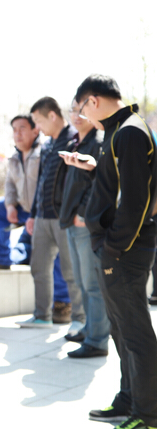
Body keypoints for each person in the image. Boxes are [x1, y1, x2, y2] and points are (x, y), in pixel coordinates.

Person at [67, 74, 157, 429]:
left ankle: (148, 415)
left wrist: (113, 249)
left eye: (81, 109)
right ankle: (129, 400)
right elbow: (123, 184)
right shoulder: (118, 131)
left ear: (93, 100)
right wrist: (95, 168)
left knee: (135, 334)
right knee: (122, 331)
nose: (82, 116)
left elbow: (136, 202)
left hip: (124, 251)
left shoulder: (129, 132)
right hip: (117, 249)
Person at [0, 115, 70, 323]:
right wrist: (10, 205)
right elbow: (10, 184)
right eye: (14, 130)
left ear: (35, 131)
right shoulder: (14, 158)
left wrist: (37, 215)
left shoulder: (43, 154)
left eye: (22, 129)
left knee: (54, 253)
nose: (17, 134)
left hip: (45, 212)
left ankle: (63, 304)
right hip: (24, 209)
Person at [16, 97, 85, 331]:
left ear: (52, 116)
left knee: (70, 271)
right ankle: (42, 316)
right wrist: (33, 215)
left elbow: (79, 182)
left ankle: (80, 319)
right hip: (42, 217)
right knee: (39, 267)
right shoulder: (46, 146)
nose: (37, 128)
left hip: (64, 218)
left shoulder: (75, 140)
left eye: (38, 121)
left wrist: (76, 213)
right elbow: (41, 183)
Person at [57, 99, 108, 358]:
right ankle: (90, 330)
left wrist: (83, 213)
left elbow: (101, 182)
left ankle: (98, 340)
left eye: (81, 110)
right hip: (70, 221)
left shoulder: (98, 142)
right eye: (73, 110)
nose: (77, 115)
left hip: (84, 223)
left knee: (92, 284)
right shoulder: (74, 143)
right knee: (81, 281)